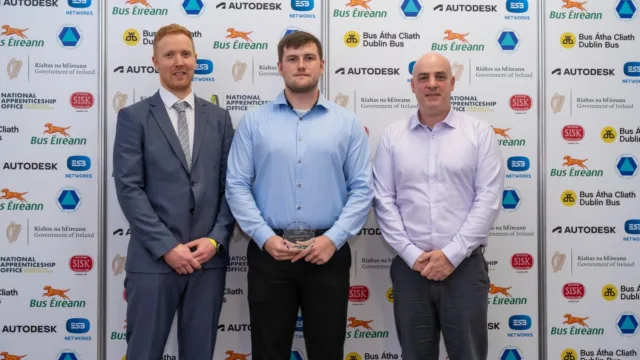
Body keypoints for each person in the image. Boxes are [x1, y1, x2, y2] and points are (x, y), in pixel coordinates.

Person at [225, 31, 373, 360]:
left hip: (327, 254)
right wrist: (264, 237)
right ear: (280, 67)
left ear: (321, 65)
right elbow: (236, 184)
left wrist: (333, 239)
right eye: (292, 59)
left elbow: (363, 189)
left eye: (308, 58)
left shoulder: (347, 124)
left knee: (327, 350)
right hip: (270, 252)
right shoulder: (253, 122)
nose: (300, 65)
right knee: (268, 350)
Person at [113, 23, 235, 360]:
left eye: (185, 53)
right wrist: (168, 247)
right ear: (155, 61)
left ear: (196, 59)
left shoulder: (221, 119)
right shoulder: (133, 117)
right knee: (143, 353)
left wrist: (215, 240)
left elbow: (231, 188)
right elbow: (128, 187)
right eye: (169, 55)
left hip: (206, 262)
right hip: (153, 262)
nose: (178, 61)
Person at [372, 52, 505, 360]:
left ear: (452, 83)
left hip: (465, 269)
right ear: (413, 86)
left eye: (440, 77)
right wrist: (412, 255)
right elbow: (384, 200)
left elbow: (488, 199)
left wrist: (451, 255)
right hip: (410, 271)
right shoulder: (393, 137)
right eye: (423, 78)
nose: (432, 85)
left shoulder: (479, 134)